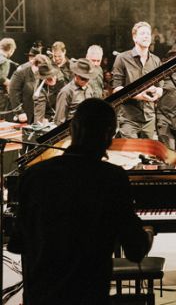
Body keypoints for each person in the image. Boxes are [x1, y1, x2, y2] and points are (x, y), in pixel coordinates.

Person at [8, 98, 154, 305]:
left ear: (72, 130)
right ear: (109, 136)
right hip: (87, 295)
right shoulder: (112, 178)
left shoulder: (34, 175)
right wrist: (147, 234)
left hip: (40, 297)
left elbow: (17, 244)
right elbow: (135, 250)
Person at [112, 21, 163, 138]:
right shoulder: (122, 58)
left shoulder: (156, 60)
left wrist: (157, 93)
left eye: (148, 34)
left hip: (149, 117)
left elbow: (160, 86)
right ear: (134, 37)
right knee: (131, 154)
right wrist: (139, 95)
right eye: (142, 33)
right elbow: (117, 89)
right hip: (129, 118)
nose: (146, 36)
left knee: (148, 155)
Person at [54, 58, 96, 125]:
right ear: (75, 75)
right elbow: (59, 121)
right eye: (83, 78)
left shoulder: (89, 89)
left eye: (88, 79)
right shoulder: (66, 92)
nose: (86, 81)